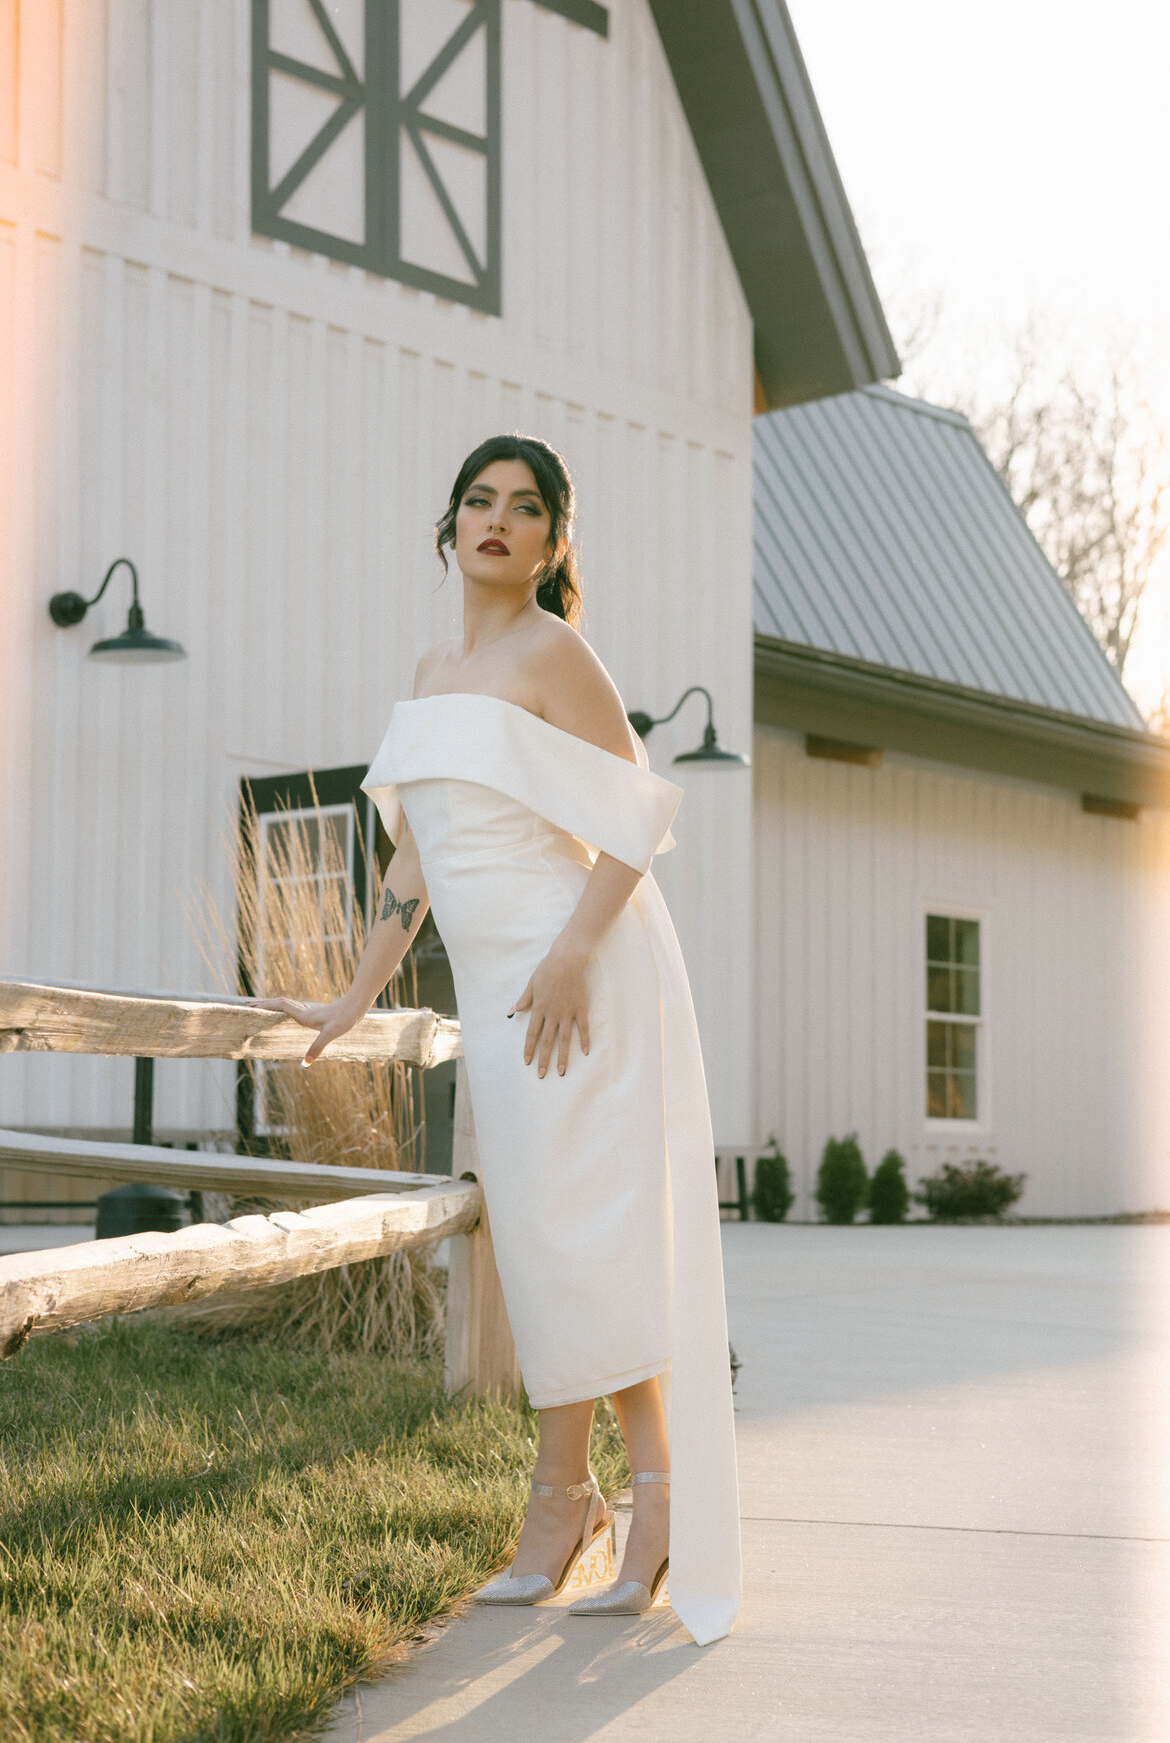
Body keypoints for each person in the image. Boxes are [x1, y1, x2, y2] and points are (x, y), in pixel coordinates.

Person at [253, 435, 741, 1646]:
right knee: (542, 1241)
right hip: (498, 994)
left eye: (527, 509)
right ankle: (593, 1505)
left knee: (590, 1238)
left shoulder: (553, 652)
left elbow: (636, 817)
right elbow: (411, 865)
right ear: (451, 525)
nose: (498, 521)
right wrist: (358, 994)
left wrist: (575, 948)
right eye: (479, 501)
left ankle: (616, 1506)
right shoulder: (432, 669)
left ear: (553, 543)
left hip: (581, 977)